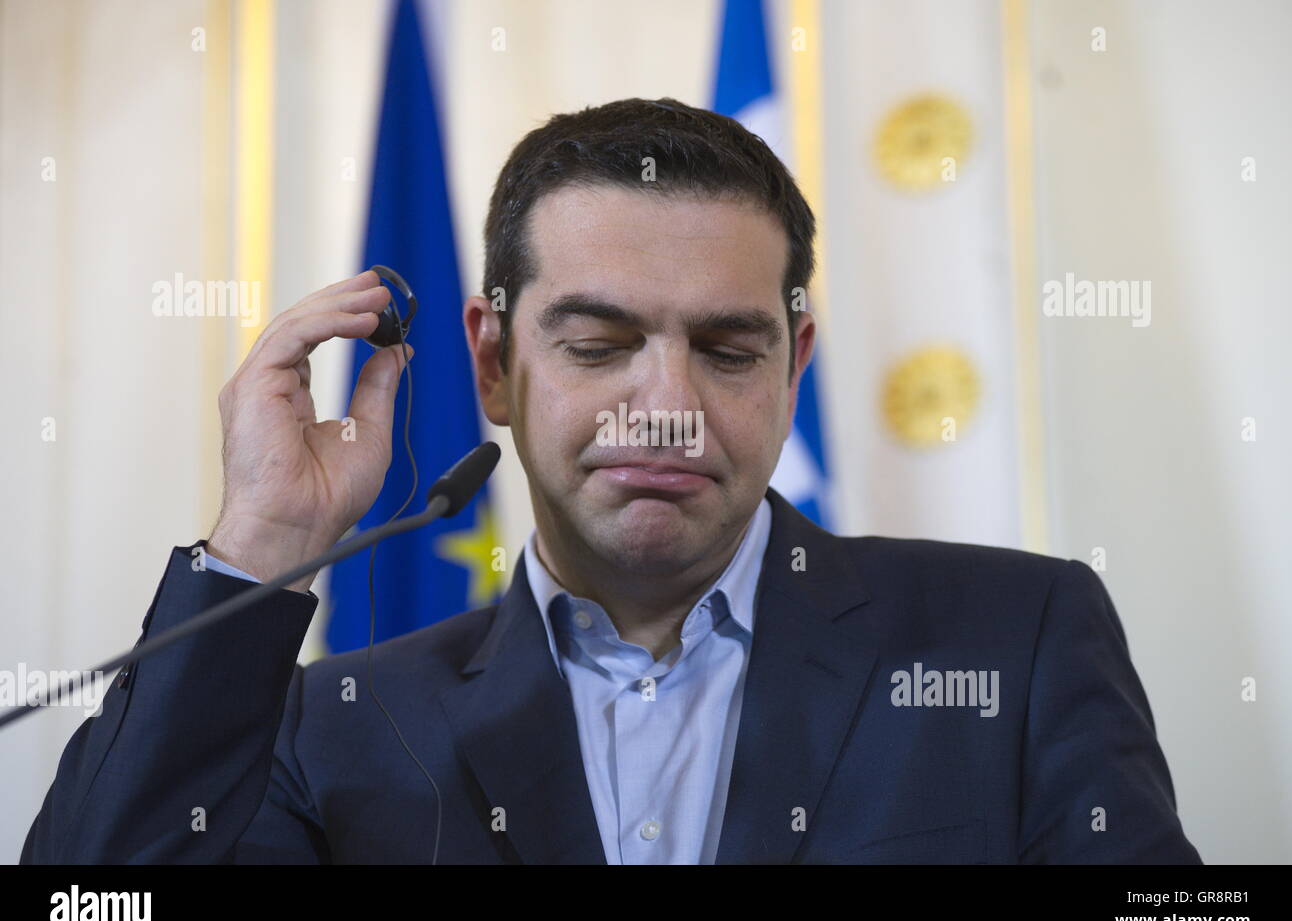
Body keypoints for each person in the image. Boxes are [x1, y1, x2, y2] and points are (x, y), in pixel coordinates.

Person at [22, 98, 1200, 864]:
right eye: (596, 344)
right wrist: (262, 543)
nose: (668, 404)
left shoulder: (1022, 640)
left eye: (728, 350)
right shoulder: (329, 725)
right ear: (492, 361)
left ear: (793, 366)